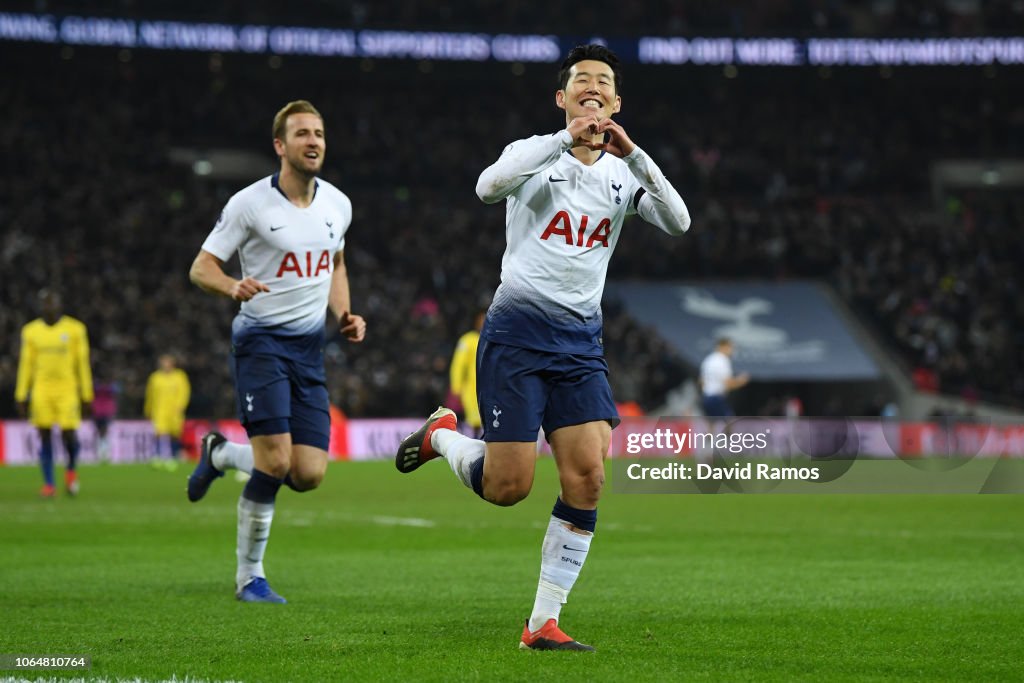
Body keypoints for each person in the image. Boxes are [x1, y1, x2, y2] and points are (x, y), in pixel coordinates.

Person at [396, 45, 690, 650]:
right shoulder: (531, 154)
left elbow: (679, 221)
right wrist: (565, 140)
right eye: (581, 79)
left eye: (603, 81)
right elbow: (486, 187)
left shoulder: (621, 174)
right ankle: (441, 436)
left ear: (616, 102)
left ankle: (541, 625)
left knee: (587, 478)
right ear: (563, 99)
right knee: (508, 488)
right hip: (517, 336)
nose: (592, 86)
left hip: (580, 343)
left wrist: (633, 154)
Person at [186, 100, 366, 603]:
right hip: (260, 343)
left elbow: (336, 264)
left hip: (309, 348)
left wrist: (344, 315)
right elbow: (201, 267)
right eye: (303, 134)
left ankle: (219, 453)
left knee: (307, 473)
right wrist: (230, 287)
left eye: (320, 133)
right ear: (280, 146)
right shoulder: (250, 205)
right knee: (273, 462)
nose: (314, 141)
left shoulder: (338, 204)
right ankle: (250, 578)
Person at [15, 289, 93, 497]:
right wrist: (21, 394)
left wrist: (86, 394)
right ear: (40, 306)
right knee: (44, 434)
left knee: (69, 434)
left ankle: (70, 471)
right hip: (42, 389)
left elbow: (82, 364)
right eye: (45, 303)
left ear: (59, 305)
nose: (49, 306)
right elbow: (26, 365)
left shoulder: (75, 329)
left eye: (52, 302)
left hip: (67, 389)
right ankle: (49, 483)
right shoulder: (30, 331)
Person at [144, 353, 191, 470]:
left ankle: (174, 456)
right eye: (163, 363)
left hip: (174, 411)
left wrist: (181, 406)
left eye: (167, 362)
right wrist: (148, 409)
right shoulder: (155, 377)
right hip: (159, 410)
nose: (165, 365)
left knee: (174, 434)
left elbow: (184, 392)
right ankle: (158, 456)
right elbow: (150, 395)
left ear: (172, 364)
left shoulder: (180, 376)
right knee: (159, 433)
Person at [448, 309, 485, 437]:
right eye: (482, 319)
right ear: (476, 322)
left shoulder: (493, 338)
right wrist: (456, 388)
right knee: (475, 420)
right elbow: (458, 365)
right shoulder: (467, 340)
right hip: (471, 387)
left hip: (490, 386)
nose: (484, 322)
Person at [699, 338, 749, 418]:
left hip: (706, 397)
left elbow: (701, 382)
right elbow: (728, 384)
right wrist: (741, 381)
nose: (732, 351)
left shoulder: (708, 360)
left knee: (712, 424)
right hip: (716, 398)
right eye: (731, 347)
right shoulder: (722, 360)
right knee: (730, 421)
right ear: (723, 346)